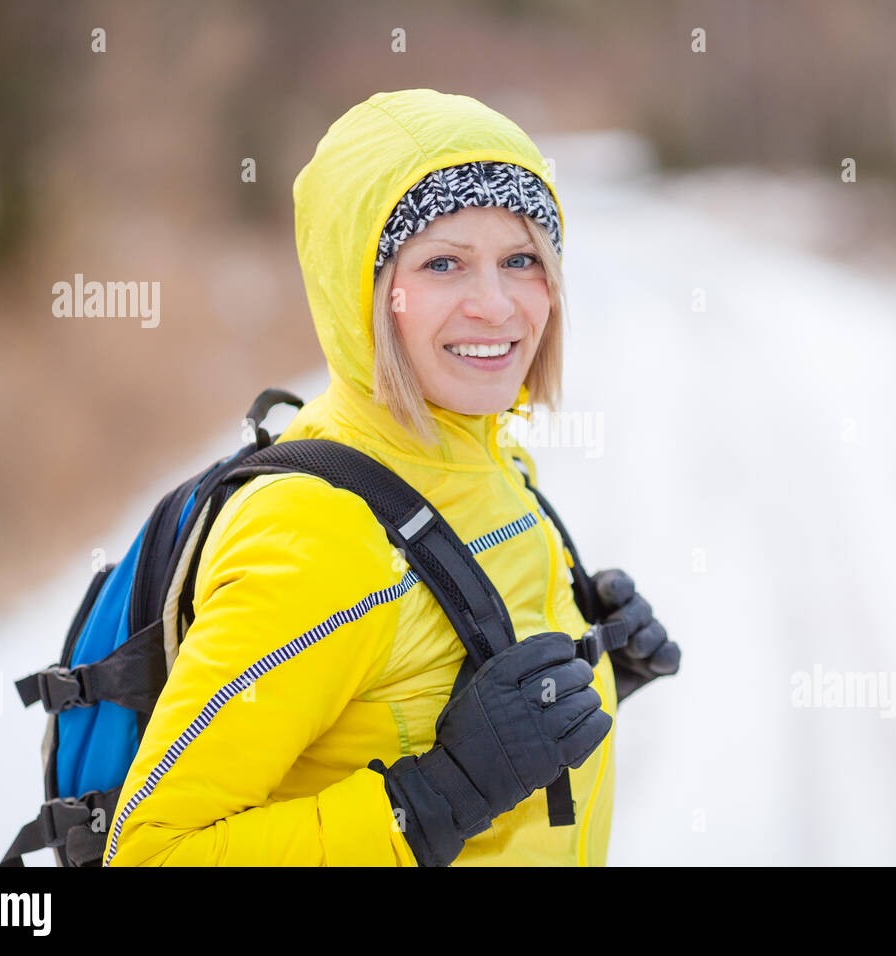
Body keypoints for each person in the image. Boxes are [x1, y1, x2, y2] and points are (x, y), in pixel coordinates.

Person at [104, 88, 680, 867]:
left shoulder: (489, 457)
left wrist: (598, 670)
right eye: (443, 263)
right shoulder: (316, 530)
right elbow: (150, 854)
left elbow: (408, 701)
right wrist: (435, 797)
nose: (496, 304)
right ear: (362, 290)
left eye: (522, 260)